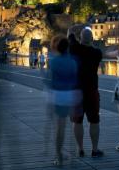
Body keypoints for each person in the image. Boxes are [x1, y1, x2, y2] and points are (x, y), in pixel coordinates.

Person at [68, 28, 104, 158]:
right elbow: (90, 47)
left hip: (76, 90)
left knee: (77, 121)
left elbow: (70, 35)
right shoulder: (97, 53)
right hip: (91, 90)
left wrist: (75, 36)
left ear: (80, 39)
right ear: (92, 39)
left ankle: (80, 149)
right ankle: (94, 149)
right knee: (94, 121)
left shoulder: (74, 49)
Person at [47, 35, 81, 166]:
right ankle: (73, 154)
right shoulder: (73, 62)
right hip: (71, 94)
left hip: (58, 95)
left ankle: (59, 156)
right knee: (72, 125)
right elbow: (75, 79)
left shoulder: (53, 62)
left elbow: (51, 80)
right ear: (67, 48)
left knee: (59, 128)